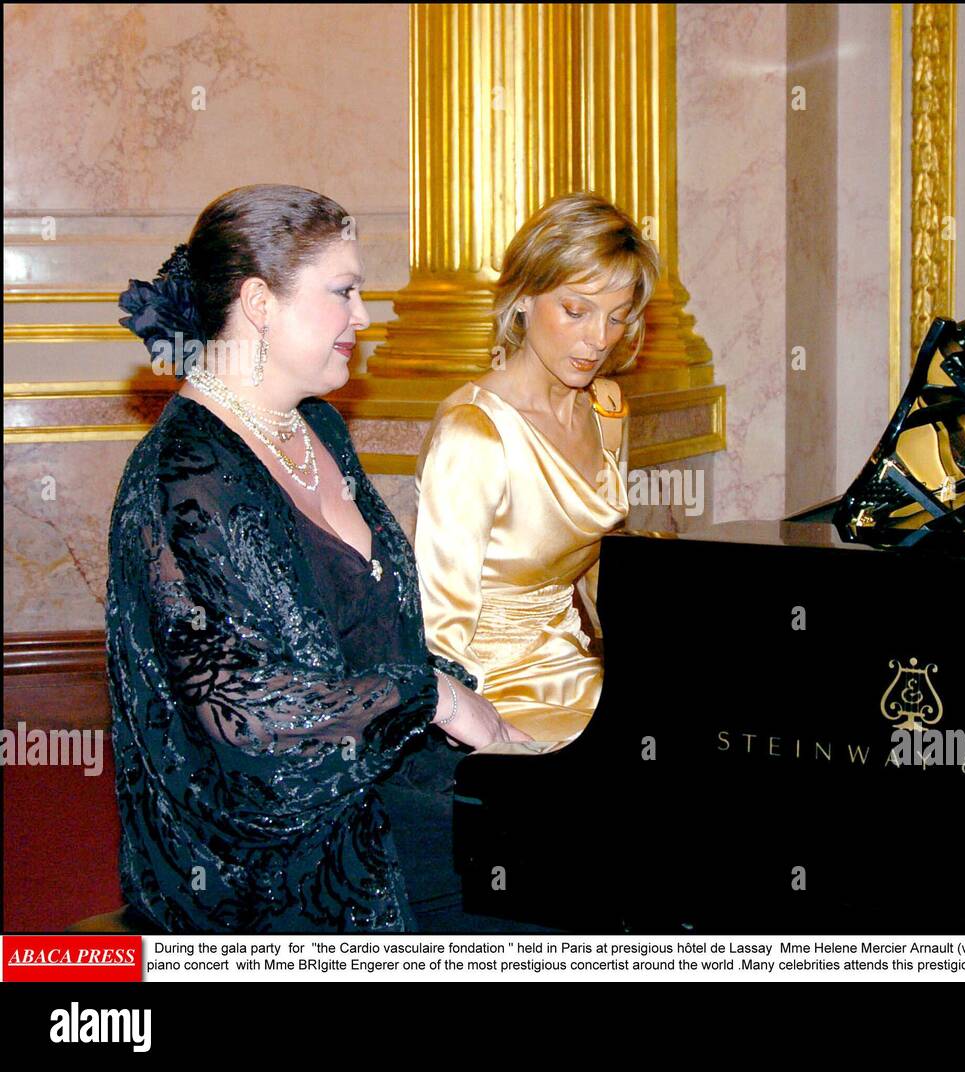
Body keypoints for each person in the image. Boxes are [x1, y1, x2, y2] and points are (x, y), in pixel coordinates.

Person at [108, 183, 526, 934]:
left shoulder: (319, 428)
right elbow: (249, 737)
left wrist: (469, 717)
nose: (364, 316)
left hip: (386, 785)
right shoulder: (182, 477)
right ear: (261, 303)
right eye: (345, 291)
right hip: (278, 861)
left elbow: (377, 632)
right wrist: (433, 696)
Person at [414, 191, 660, 743]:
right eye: (576, 311)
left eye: (617, 318)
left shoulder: (606, 411)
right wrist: (483, 736)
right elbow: (438, 634)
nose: (598, 340)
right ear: (523, 297)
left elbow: (600, 569)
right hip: (490, 694)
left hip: (576, 671)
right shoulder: (474, 434)